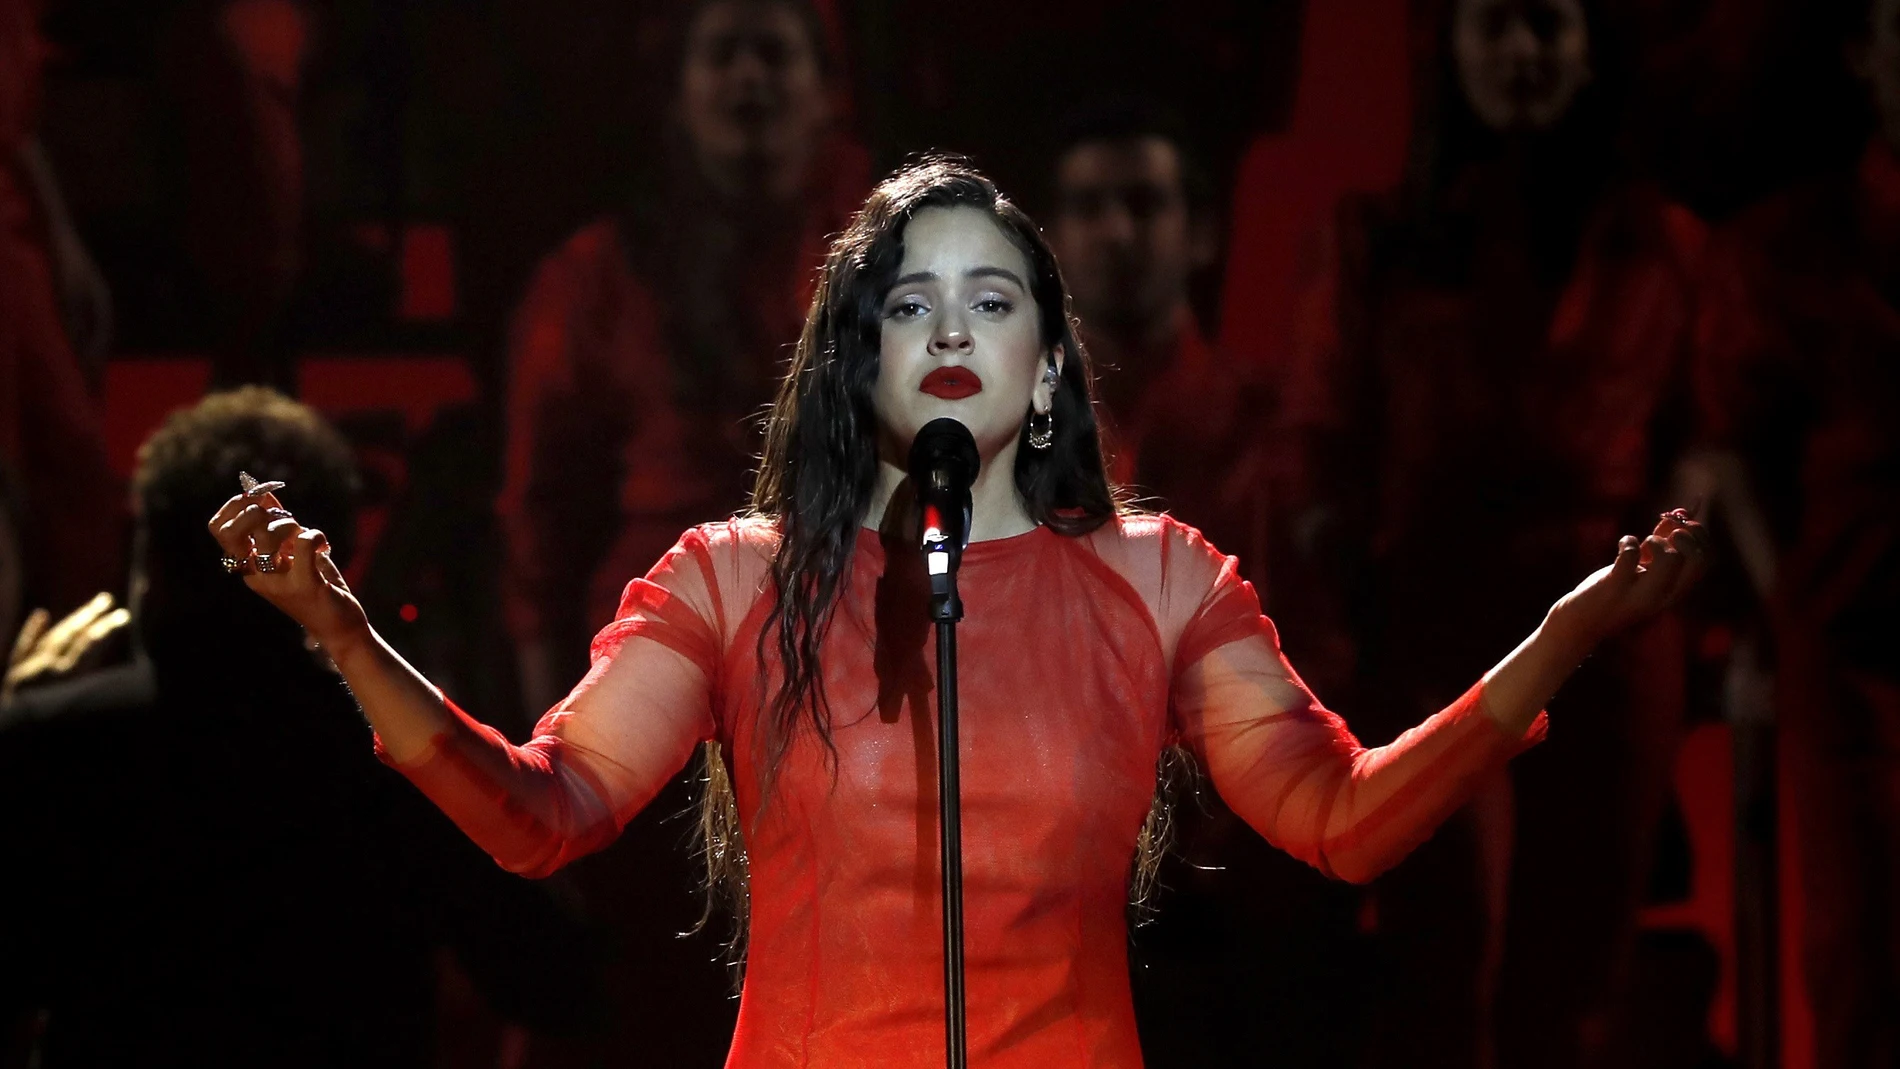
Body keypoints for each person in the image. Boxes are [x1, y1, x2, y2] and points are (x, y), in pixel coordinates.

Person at [213, 157, 1705, 1069]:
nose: (946, 333)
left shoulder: (1159, 577)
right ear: (852, 358)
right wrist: (346, 636)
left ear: (1050, 367)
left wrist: (1558, 640)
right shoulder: (731, 579)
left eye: (990, 304)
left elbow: (1339, 820)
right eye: (906, 306)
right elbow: (543, 812)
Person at [1278, 2, 1705, 1065]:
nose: (1521, 54)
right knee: (1444, 938)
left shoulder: (1662, 241)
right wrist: (1344, 584)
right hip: (1436, 614)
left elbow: (1704, 431)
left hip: (1609, 612)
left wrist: (1678, 566)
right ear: (1450, 49)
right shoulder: (1374, 236)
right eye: (1495, 27)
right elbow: (1318, 429)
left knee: (1579, 960)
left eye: (1552, 27)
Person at [0, 387, 602, 1067]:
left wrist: (19, 720)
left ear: (151, 564)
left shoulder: (56, 745)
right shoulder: (400, 763)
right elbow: (563, 982)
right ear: (335, 565)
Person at [1044, 101, 1359, 1068]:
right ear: (1050, 243)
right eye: (1090, 208)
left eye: (1145, 203)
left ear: (1202, 231)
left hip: (1241, 881)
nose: (1119, 232)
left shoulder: (1275, 434)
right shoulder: (993, 445)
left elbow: (1319, 659)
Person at [1693, 1, 1900, 1062]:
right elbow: (1730, 453)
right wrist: (1785, 617)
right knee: (1866, 960)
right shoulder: (1788, 249)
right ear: (1865, 53)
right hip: (1853, 653)